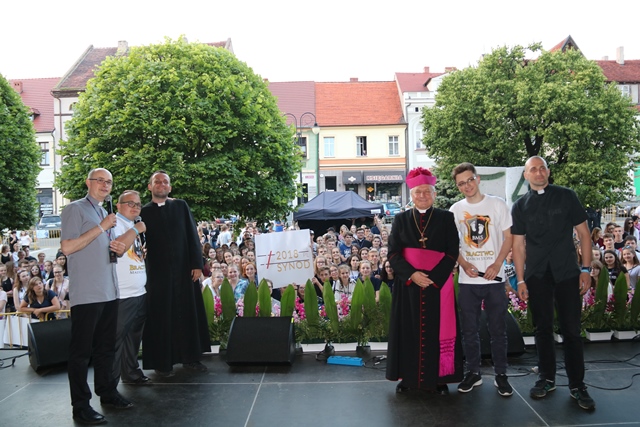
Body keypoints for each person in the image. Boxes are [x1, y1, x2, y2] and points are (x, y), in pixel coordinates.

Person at [511, 156, 595, 410]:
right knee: (542, 329)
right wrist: (520, 279)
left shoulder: (567, 196)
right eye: (533, 169)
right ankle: (546, 378)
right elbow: (518, 245)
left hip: (567, 272)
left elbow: (584, 234)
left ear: (548, 172)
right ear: (526, 175)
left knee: (572, 331)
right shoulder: (520, 205)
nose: (538, 173)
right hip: (537, 275)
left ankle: (577, 385)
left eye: (542, 168)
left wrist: (586, 269)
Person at [60, 168, 131, 425]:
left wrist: (118, 249)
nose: (105, 185)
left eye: (109, 181)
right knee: (81, 353)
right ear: (87, 182)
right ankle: (80, 406)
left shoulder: (103, 213)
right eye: (100, 180)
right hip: (87, 293)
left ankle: (107, 392)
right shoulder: (75, 209)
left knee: (105, 349)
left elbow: (103, 247)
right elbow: (67, 247)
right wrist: (101, 228)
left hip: (109, 291)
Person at [386, 167, 462, 394]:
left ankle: (439, 378)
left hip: (438, 284)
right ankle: (407, 378)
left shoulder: (446, 218)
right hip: (409, 285)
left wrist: (433, 278)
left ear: (434, 194)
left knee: (437, 331)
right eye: (418, 192)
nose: (422, 196)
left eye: (427, 191)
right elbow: (393, 253)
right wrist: (412, 274)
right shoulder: (400, 219)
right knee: (407, 331)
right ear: (411, 195)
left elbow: (452, 251)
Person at [449, 162, 514, 396]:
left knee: (498, 331)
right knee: (469, 331)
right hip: (469, 281)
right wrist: (464, 264)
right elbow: (451, 244)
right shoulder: (455, 210)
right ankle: (473, 373)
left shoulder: (498, 204)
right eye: (461, 183)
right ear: (458, 187)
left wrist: (497, 264)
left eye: (469, 180)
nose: (466, 185)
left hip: (494, 280)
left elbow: (509, 238)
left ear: (477, 179)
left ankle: (501, 375)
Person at [141, 171, 210, 376]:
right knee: (162, 317)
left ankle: (191, 358)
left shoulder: (181, 206)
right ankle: (163, 363)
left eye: (165, 182)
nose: (161, 184)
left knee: (188, 314)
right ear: (150, 186)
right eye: (157, 182)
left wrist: (197, 264)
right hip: (157, 274)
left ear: (170, 187)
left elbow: (192, 235)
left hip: (185, 271)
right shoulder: (143, 213)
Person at [112, 190, 149, 385]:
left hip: (139, 292)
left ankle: (131, 373)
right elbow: (117, 247)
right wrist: (136, 229)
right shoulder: (114, 224)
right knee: (115, 340)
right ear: (118, 206)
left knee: (133, 338)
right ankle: (110, 384)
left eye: (138, 204)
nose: (135, 207)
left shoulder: (133, 226)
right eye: (130, 203)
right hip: (122, 294)